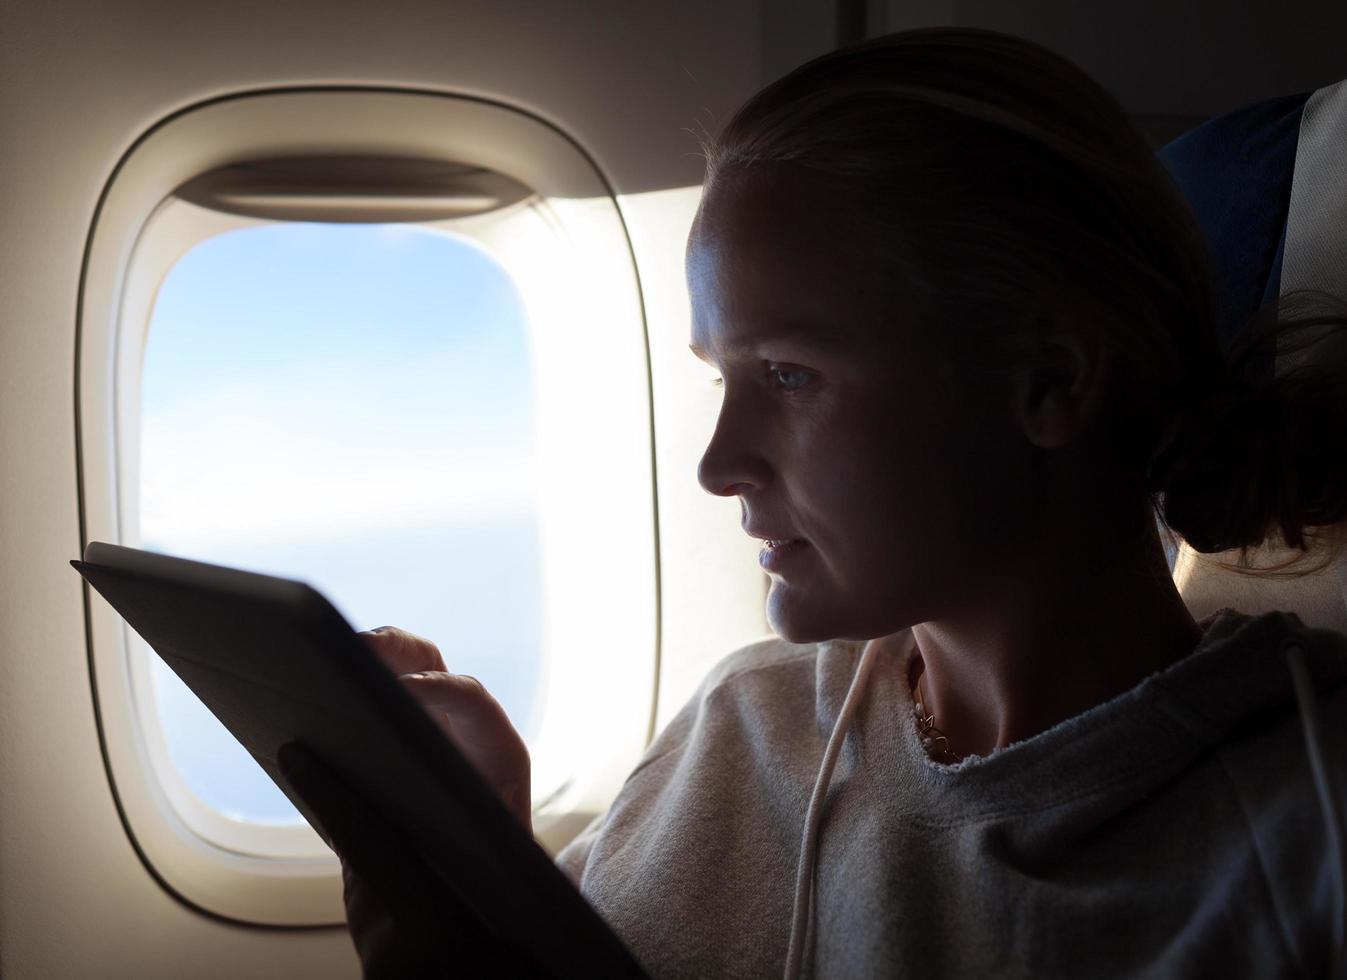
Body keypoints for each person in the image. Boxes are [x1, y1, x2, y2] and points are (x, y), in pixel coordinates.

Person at [280, 26, 1347, 978]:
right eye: (722, 375)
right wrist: (482, 870)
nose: (718, 462)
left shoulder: (1307, 817)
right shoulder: (739, 729)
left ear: (1049, 380)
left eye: (788, 373)